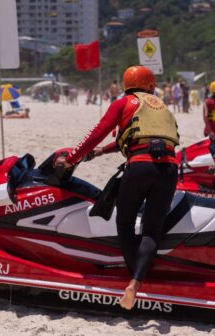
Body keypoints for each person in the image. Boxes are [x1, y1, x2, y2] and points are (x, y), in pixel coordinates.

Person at [54, 65, 179, 310]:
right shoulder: (162, 107)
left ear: (126, 84)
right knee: (152, 229)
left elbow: (98, 132)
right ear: (151, 85)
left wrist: (72, 158)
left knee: (124, 222)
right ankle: (136, 281)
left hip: (140, 168)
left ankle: (132, 278)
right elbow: (145, 137)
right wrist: (102, 152)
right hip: (169, 170)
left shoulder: (124, 103)